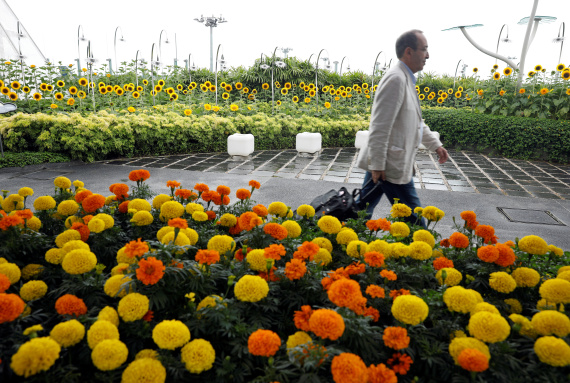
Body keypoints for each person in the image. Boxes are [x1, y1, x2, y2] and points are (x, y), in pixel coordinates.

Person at [356, 29, 449, 227]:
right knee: (414, 220)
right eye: (424, 49)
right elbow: (379, 126)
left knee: (360, 211)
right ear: (409, 51)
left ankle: (339, 243)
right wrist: (379, 165)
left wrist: (435, 145)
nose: (428, 55)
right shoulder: (396, 79)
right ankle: (422, 254)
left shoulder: (405, 78)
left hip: (388, 162)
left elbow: (415, 122)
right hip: (389, 165)